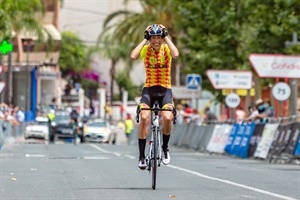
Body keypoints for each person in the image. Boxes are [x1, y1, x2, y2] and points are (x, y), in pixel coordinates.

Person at [130, 24, 179, 169]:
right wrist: (144, 40)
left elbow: (176, 54)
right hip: (149, 90)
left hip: (165, 90)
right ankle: (141, 157)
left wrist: (166, 37)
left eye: (158, 37)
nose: (156, 40)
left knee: (168, 117)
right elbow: (133, 56)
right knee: (144, 118)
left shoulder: (167, 49)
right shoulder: (146, 49)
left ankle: (164, 148)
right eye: (153, 38)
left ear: (162, 38)